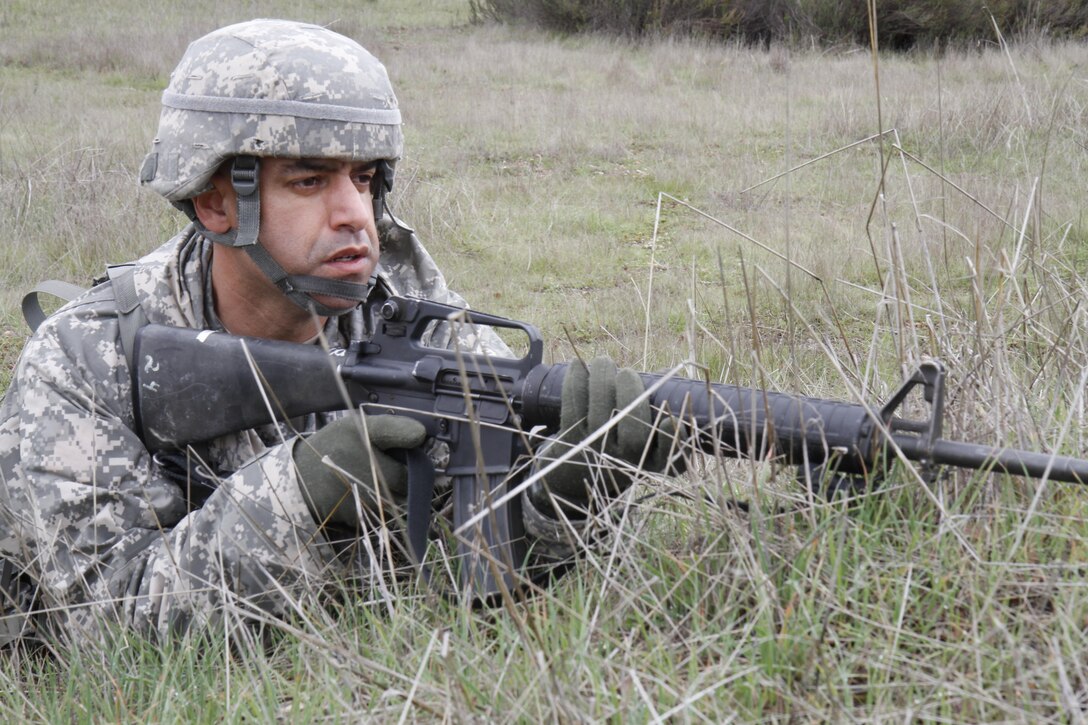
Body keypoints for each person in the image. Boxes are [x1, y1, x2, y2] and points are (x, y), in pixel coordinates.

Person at [0, 19, 677, 646]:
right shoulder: (88, 361)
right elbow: (108, 629)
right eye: (309, 180)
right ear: (214, 201)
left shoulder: (405, 312)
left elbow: (470, 567)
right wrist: (301, 495)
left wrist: (559, 496)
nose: (357, 215)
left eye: (364, 178)